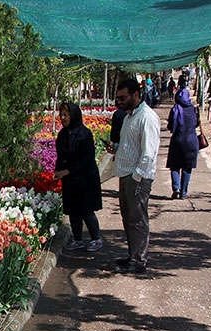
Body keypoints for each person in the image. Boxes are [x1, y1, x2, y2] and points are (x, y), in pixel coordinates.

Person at [113, 78, 161, 274]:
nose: (119, 102)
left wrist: (137, 178)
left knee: (137, 218)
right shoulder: (128, 117)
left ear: (136, 94)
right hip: (126, 174)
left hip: (137, 178)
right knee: (128, 217)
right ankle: (132, 255)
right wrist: (115, 149)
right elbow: (130, 145)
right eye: (118, 98)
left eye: (123, 98)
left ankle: (139, 260)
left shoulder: (147, 117)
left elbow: (149, 153)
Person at [53, 102, 103, 252]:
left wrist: (67, 171)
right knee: (73, 211)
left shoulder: (84, 134)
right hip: (70, 180)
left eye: (65, 115)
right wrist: (58, 170)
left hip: (85, 178)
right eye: (61, 114)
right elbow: (60, 156)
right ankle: (78, 239)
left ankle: (96, 238)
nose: (62, 118)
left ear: (73, 115)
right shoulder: (63, 134)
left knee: (86, 210)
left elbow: (86, 159)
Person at [166, 77, 199, 199]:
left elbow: (170, 126)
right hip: (191, 141)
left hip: (177, 140)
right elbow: (196, 123)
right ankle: (184, 192)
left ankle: (176, 189)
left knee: (174, 166)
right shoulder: (193, 109)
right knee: (187, 167)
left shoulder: (174, 109)